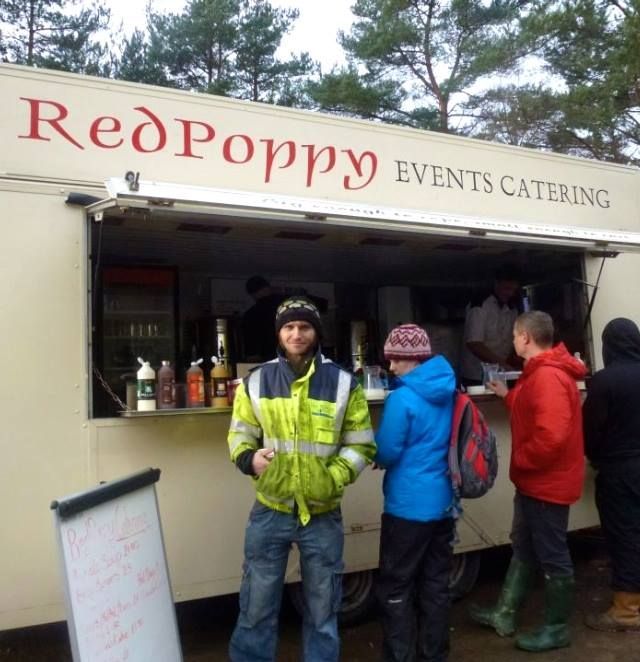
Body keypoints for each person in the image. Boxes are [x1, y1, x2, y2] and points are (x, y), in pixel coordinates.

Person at [227, 296, 376, 662]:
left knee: (323, 612)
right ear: (279, 334)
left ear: (316, 332)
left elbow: (361, 445)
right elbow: (239, 434)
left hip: (322, 514)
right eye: (289, 327)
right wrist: (249, 459)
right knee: (256, 608)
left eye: (304, 326)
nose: (297, 333)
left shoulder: (343, 383)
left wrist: (332, 477)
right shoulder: (256, 381)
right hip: (270, 510)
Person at [469, 311, 586, 652]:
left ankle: (557, 627)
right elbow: (532, 409)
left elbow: (551, 436)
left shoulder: (547, 376)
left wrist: (521, 459)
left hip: (546, 483)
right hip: (535, 482)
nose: (512, 340)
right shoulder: (539, 373)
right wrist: (507, 395)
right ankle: (504, 612)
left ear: (525, 338)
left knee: (552, 554)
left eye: (514, 335)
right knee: (524, 544)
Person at [374, 323, 457, 662]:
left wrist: (377, 455)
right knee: (436, 586)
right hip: (443, 505)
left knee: (396, 587)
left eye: (395, 360)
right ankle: (434, 654)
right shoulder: (450, 390)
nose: (391, 367)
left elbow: (387, 451)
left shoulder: (403, 398)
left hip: (407, 508)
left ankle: (400, 656)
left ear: (413, 358)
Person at [583, 317, 640, 632]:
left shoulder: (605, 381)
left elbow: (591, 431)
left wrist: (595, 456)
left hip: (620, 470)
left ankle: (627, 611)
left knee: (626, 536)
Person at [459, 264, 521, 386]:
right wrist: (502, 364)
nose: (510, 293)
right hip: (477, 374)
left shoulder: (513, 308)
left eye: (513, 290)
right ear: (496, 284)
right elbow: (474, 343)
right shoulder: (480, 305)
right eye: (506, 288)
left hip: (501, 373)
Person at [241, 275, 285, 362]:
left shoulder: (250, 314)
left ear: (253, 294)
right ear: (268, 288)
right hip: (290, 355)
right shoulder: (286, 306)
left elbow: (251, 343)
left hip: (266, 359)